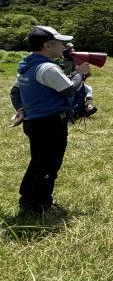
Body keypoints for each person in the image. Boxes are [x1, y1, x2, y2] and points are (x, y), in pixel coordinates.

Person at [8, 26, 91, 214]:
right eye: (61, 43)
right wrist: (80, 73)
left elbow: (15, 91)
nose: (64, 46)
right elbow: (69, 89)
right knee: (49, 164)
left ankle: (27, 200)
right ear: (47, 45)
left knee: (37, 162)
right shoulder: (48, 68)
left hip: (34, 122)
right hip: (50, 123)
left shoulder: (27, 65)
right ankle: (41, 206)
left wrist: (21, 109)